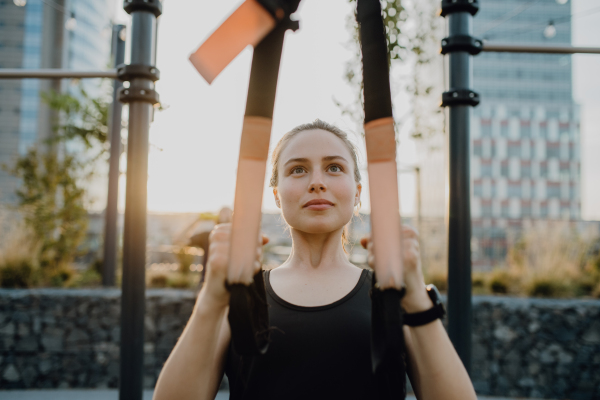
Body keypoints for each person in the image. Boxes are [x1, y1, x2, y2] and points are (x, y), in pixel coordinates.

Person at [154, 120, 477, 400]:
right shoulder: (240, 294)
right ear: (277, 194)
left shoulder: (393, 292)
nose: (317, 181)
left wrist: (417, 295)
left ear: (358, 191)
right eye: (298, 169)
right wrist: (211, 298)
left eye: (334, 167)